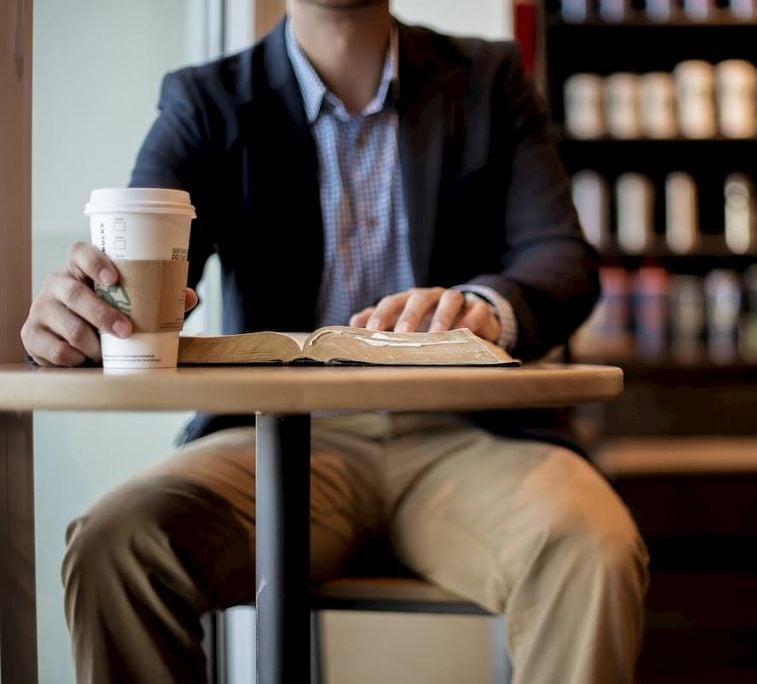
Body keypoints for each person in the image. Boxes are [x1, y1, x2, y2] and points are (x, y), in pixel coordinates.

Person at [21, 1, 649, 682]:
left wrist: (482, 310)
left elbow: (562, 260)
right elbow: (134, 272)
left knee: (594, 548)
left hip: (469, 435)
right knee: (116, 546)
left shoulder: (488, 77)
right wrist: (81, 315)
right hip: (277, 438)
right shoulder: (208, 100)